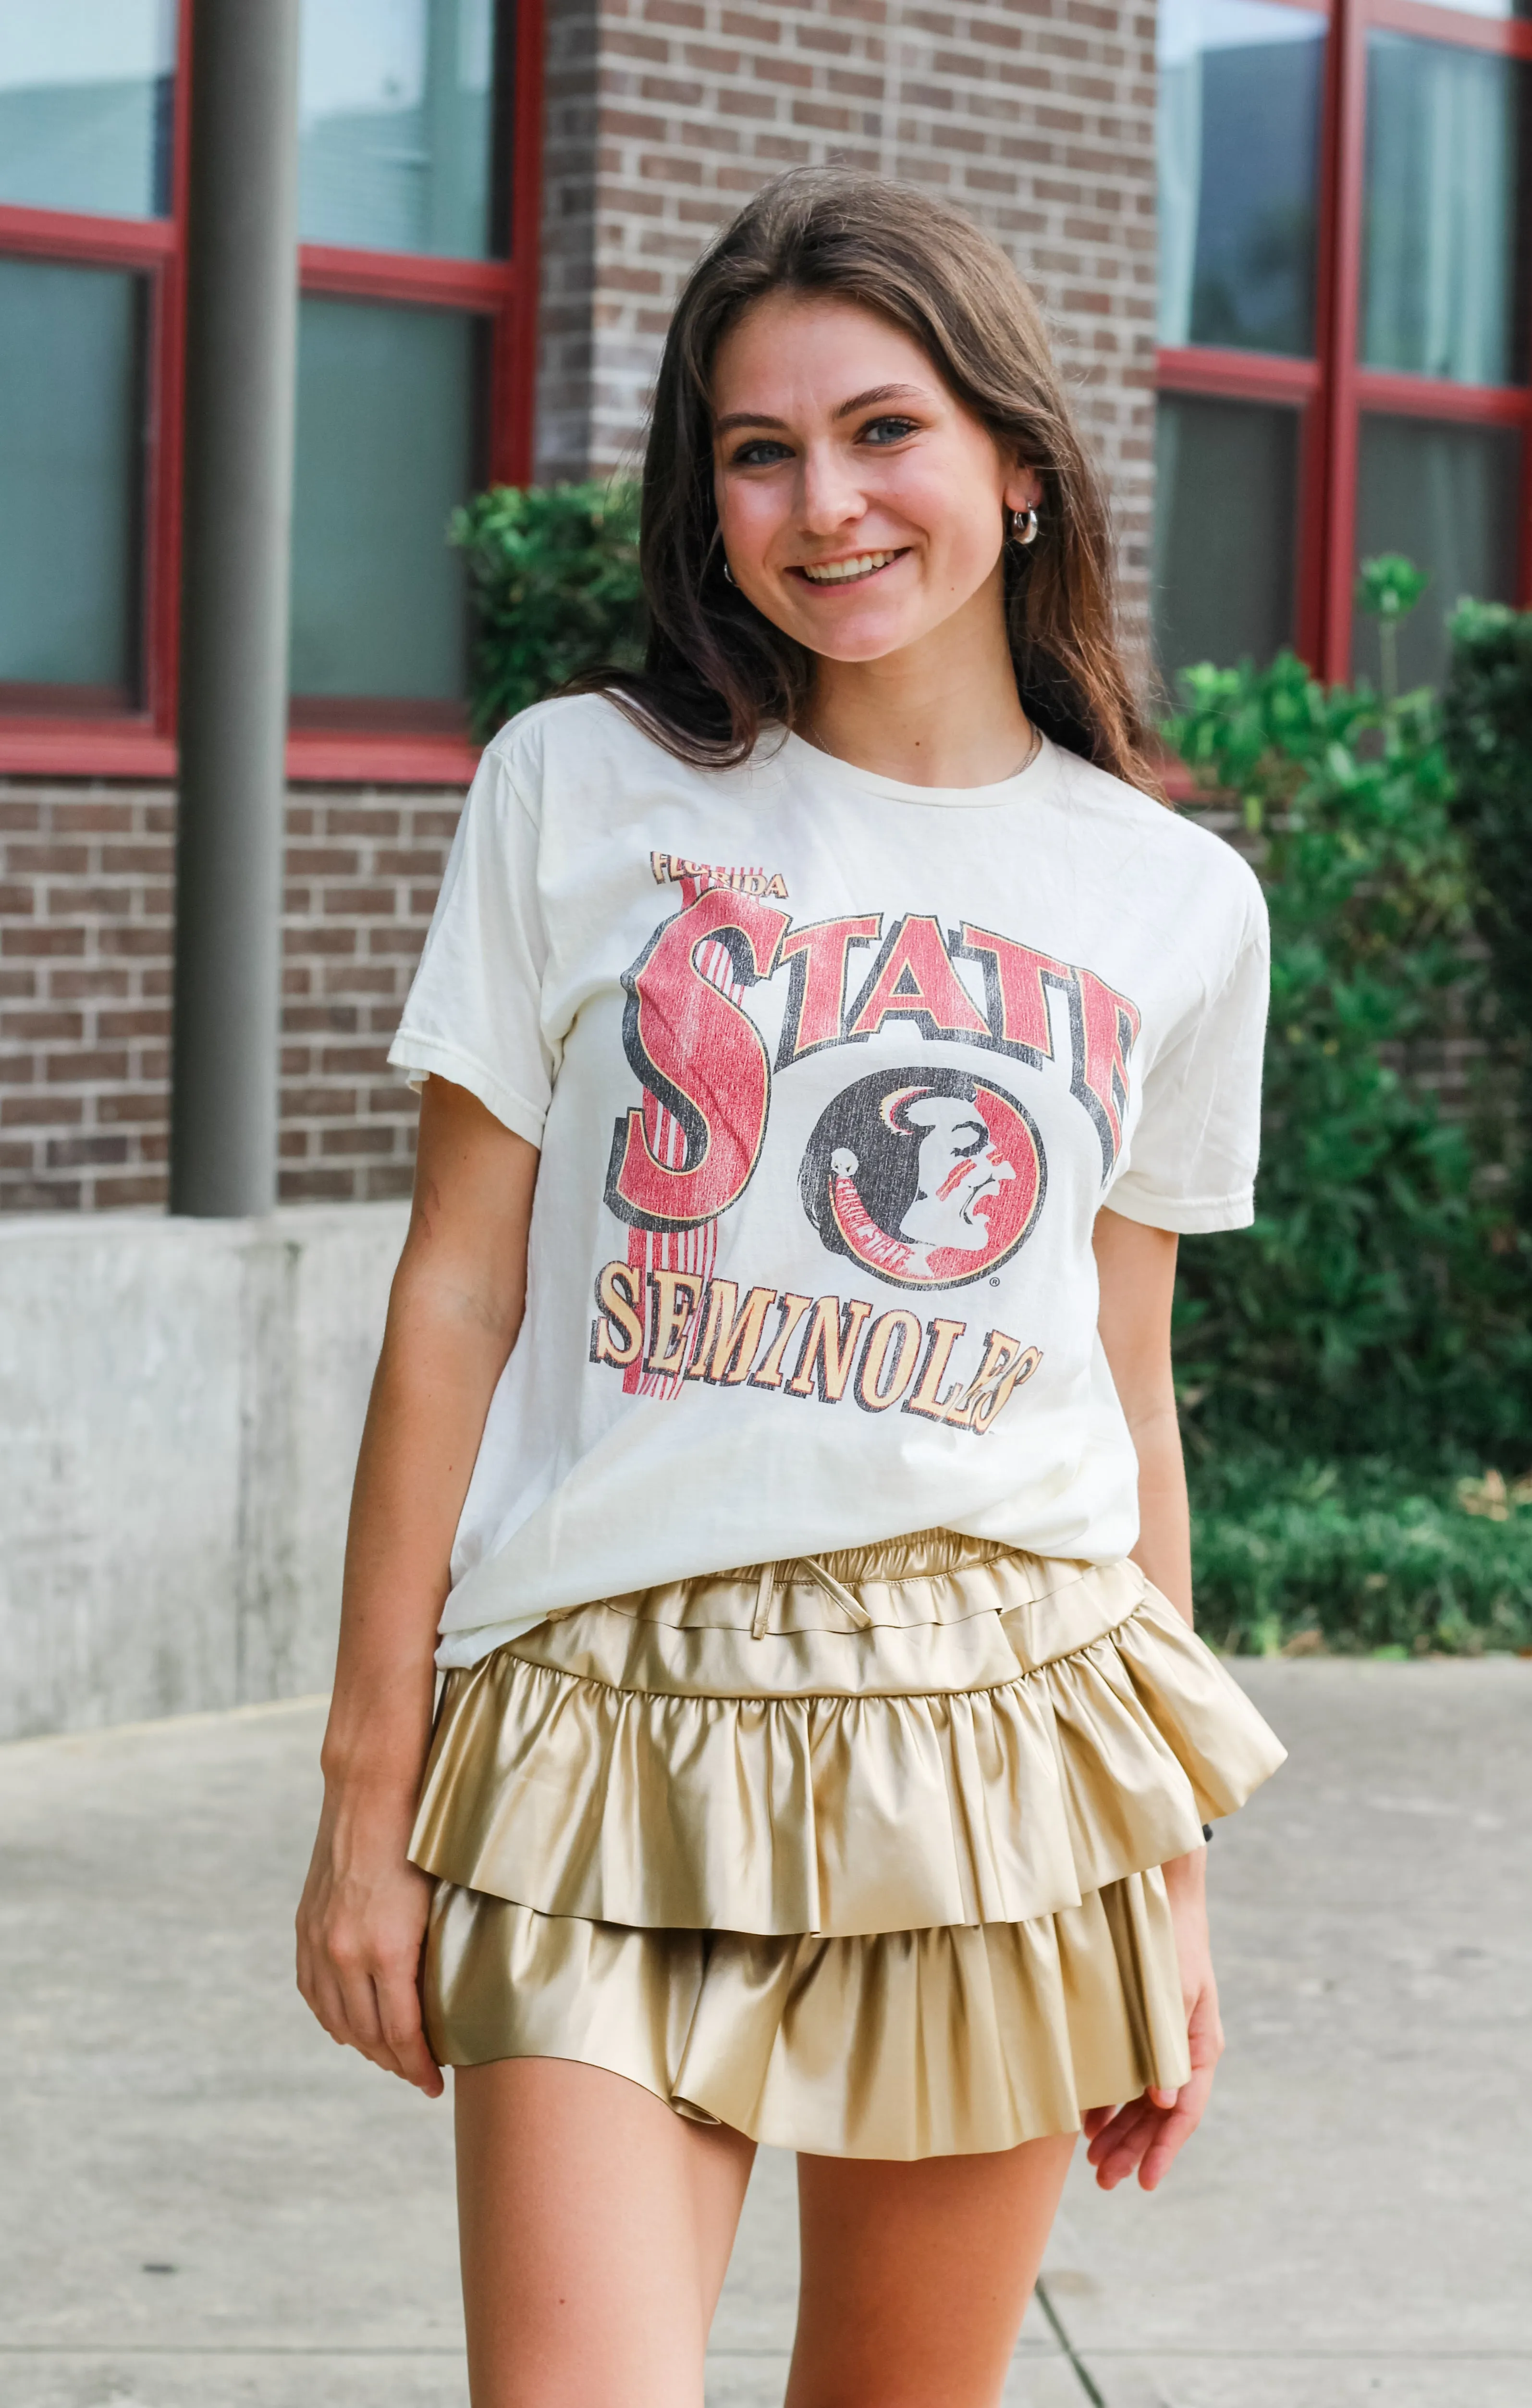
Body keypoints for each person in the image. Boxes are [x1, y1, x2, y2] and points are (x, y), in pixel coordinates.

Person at [296, 168, 1286, 2408]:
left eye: (881, 431)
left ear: (1016, 467)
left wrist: (1169, 1880)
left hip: (1003, 1745)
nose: (820, 503)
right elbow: (450, 1301)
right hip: (597, 1719)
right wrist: (366, 1796)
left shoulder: (1171, 899)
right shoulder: (581, 786)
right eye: (757, 451)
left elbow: (1121, 1390)